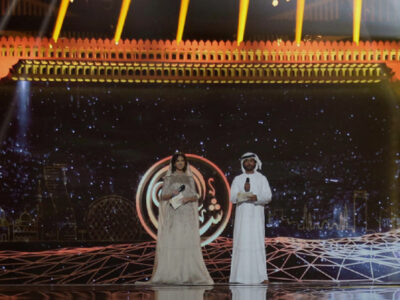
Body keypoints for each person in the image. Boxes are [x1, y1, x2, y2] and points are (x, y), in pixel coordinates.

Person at [145, 152, 213, 285]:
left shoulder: (190, 178)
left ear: (185, 163)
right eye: (178, 161)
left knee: (186, 241)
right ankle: (173, 273)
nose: (180, 163)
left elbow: (195, 196)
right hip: (174, 213)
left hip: (186, 213)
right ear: (174, 163)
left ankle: (187, 273)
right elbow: (162, 196)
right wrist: (172, 194)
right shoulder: (169, 178)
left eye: (182, 160)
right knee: (174, 240)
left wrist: (188, 198)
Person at [229, 152, 272, 284]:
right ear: (243, 163)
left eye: (251, 161)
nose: (249, 163)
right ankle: (238, 277)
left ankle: (261, 276)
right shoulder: (238, 179)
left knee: (256, 242)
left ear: (255, 163)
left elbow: (268, 196)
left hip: (256, 218)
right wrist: (244, 195)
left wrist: (256, 198)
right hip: (242, 219)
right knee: (242, 242)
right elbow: (232, 197)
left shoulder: (262, 178)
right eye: (246, 161)